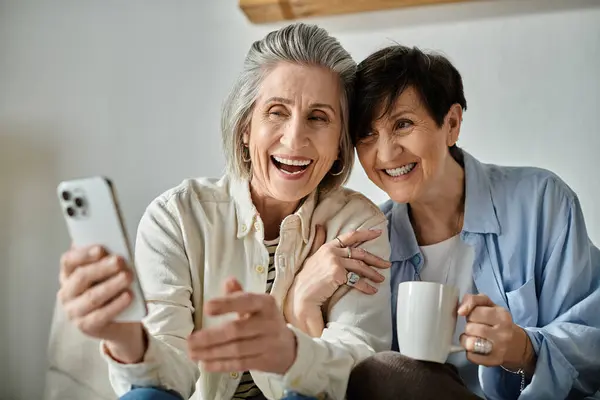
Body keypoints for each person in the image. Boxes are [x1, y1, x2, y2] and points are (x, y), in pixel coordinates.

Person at [55, 23, 394, 400]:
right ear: (246, 127)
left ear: (340, 143)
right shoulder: (176, 218)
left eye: (318, 117)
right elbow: (168, 372)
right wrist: (123, 336)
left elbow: (362, 362)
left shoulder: (359, 226)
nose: (295, 138)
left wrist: (295, 333)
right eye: (277, 112)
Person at [286, 44, 600, 399]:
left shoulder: (542, 202)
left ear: (451, 123)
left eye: (402, 124)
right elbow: (343, 374)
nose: (386, 153)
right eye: (367, 135)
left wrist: (524, 348)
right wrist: (302, 304)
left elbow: (593, 344)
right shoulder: (366, 241)